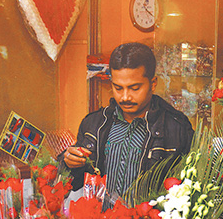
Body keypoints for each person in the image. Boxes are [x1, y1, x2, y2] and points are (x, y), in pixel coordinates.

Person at [62, 42, 194, 198]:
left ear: (153, 84)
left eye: (134, 88)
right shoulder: (94, 124)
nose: (125, 97)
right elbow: (75, 183)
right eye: (118, 88)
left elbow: (189, 192)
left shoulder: (177, 129)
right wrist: (69, 164)